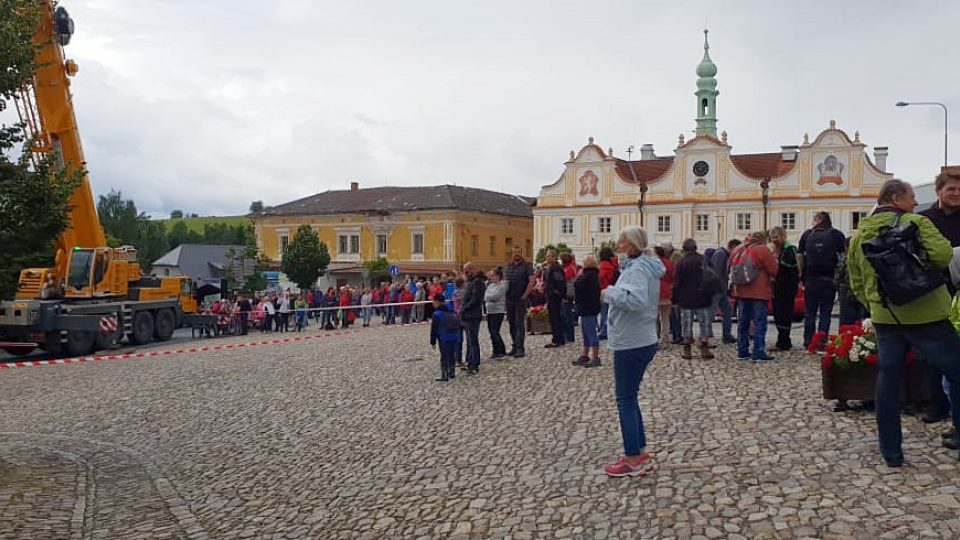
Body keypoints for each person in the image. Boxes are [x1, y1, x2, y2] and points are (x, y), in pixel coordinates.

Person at [847, 179, 960, 467]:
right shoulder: (916, 222)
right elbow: (944, 255)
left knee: (888, 381)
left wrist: (875, 304)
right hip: (928, 314)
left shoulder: (860, 235)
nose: (913, 203)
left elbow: (856, 281)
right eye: (910, 198)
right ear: (896, 198)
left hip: (886, 318)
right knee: (956, 371)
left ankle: (892, 452)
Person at [601, 226, 664, 477]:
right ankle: (639, 450)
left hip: (632, 340)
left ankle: (633, 458)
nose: (618, 247)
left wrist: (609, 293)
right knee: (631, 397)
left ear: (633, 246)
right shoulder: (643, 267)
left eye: (622, 243)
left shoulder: (637, 269)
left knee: (625, 399)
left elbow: (635, 300)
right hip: (640, 336)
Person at [919, 170, 960, 432]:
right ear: (939, 191)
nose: (956, 194)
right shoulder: (924, 220)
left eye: (959, 190)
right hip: (933, 291)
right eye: (951, 190)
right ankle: (936, 404)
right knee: (932, 352)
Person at [798, 211, 846, 350]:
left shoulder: (807, 234)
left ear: (818, 219)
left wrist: (801, 275)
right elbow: (843, 256)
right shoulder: (836, 234)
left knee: (810, 312)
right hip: (829, 279)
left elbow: (800, 256)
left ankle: (808, 341)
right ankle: (821, 341)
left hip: (811, 279)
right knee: (825, 312)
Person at [730, 231, 779, 362]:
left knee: (743, 322)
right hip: (759, 291)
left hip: (741, 291)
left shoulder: (738, 249)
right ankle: (758, 351)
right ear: (762, 239)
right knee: (759, 322)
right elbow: (773, 269)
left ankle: (742, 351)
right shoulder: (762, 249)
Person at [672, 239, 714, 360]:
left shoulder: (681, 263)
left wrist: (675, 299)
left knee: (687, 323)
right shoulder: (705, 260)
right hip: (703, 297)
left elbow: (677, 283)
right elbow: (712, 278)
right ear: (695, 248)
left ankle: (687, 349)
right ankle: (704, 346)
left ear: (684, 249)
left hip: (686, 298)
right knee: (704, 323)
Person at [769, 226, 800, 351]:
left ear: (783, 236)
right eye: (772, 238)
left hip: (787, 287)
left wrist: (776, 261)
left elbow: (791, 266)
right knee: (777, 314)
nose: (774, 240)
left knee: (785, 314)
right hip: (777, 287)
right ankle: (782, 340)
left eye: (776, 237)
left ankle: (784, 341)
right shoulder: (775, 250)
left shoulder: (790, 249)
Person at [504, 246, 535, 357]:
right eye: (514, 252)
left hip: (520, 299)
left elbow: (532, 281)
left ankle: (520, 348)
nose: (516, 254)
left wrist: (525, 295)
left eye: (518, 252)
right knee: (511, 323)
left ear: (521, 253)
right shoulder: (508, 265)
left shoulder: (527, 265)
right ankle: (514, 345)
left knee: (519, 323)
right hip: (509, 299)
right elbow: (505, 281)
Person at [573, 254, 602, 367]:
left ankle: (595, 357)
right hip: (588, 307)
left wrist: (579, 276)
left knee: (590, 332)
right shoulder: (593, 274)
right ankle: (585, 355)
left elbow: (578, 286)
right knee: (586, 332)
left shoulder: (589, 275)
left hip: (588, 308)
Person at [711, 239, 741, 344]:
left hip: (720, 289)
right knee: (711, 313)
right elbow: (717, 273)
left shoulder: (723, 255)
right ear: (733, 247)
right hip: (716, 289)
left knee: (727, 310)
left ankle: (727, 335)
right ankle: (705, 337)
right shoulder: (721, 255)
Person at [460, 263, 485, 375]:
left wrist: (464, 308)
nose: (466, 272)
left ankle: (474, 364)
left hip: (473, 315)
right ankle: (470, 361)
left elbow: (475, 299)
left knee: (473, 340)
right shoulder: (469, 282)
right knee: (469, 340)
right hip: (468, 315)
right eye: (465, 270)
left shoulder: (477, 282)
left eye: (468, 270)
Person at [429, 293, 460, 382]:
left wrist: (433, 341)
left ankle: (444, 374)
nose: (433, 303)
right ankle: (452, 372)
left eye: (433, 302)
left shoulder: (437, 314)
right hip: (454, 336)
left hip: (443, 338)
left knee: (444, 356)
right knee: (452, 354)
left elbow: (434, 329)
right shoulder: (452, 311)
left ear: (437, 302)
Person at [543, 250, 568, 348]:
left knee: (555, 318)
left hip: (554, 297)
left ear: (554, 257)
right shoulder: (550, 268)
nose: (547, 258)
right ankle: (558, 338)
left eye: (549, 256)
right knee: (554, 318)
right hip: (551, 295)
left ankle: (557, 339)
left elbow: (559, 282)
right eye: (547, 256)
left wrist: (556, 292)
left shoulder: (555, 268)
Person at [653, 245, 676, 347]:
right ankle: (665, 339)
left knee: (653, 318)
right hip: (667, 292)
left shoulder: (653, 263)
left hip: (655, 292)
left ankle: (654, 339)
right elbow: (673, 278)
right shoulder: (670, 263)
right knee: (665, 318)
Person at [484, 267, 508, 359]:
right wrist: (488, 297)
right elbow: (485, 295)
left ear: (498, 276)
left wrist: (488, 297)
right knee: (491, 331)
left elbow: (495, 297)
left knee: (495, 331)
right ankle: (495, 350)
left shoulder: (501, 286)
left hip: (497, 311)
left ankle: (501, 350)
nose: (491, 277)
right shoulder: (490, 285)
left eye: (493, 275)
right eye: (491, 276)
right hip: (489, 311)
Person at [597, 247, 619, 340]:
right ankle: (608, 330)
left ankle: (603, 331)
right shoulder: (613, 264)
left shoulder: (604, 265)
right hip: (611, 289)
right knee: (609, 311)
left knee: (604, 312)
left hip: (604, 290)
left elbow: (600, 277)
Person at [559, 252, 578, 344]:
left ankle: (569, 336)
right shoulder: (571, 267)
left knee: (567, 315)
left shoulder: (569, 269)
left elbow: (563, 278)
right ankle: (567, 335)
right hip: (567, 293)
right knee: (566, 314)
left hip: (568, 293)